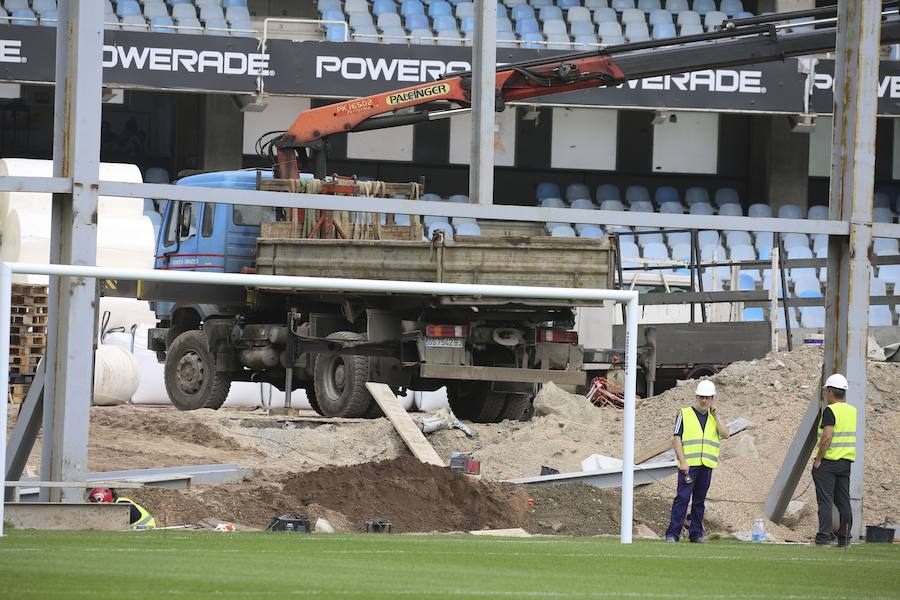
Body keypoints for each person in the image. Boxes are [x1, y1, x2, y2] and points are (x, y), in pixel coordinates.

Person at [665, 380, 730, 543]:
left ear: (712, 399)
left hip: (706, 464)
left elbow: (725, 434)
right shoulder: (684, 413)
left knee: (699, 500)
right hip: (689, 464)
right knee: (682, 498)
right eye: (701, 397)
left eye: (707, 397)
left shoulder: (714, 417)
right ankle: (672, 534)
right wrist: (683, 461)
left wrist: (717, 416)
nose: (704, 400)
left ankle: (696, 534)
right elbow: (676, 439)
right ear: (696, 396)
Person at [812, 373, 856, 547]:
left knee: (825, 501)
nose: (825, 394)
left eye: (826, 391)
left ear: (830, 391)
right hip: (845, 463)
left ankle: (823, 538)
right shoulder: (852, 411)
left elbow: (827, 437)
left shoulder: (830, 410)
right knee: (843, 502)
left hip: (828, 462)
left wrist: (818, 459)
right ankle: (844, 539)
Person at [88, 487, 156, 529]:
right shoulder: (120, 502)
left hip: (145, 527)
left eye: (94, 501)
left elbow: (114, 525)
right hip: (140, 527)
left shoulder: (121, 505)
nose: (94, 504)